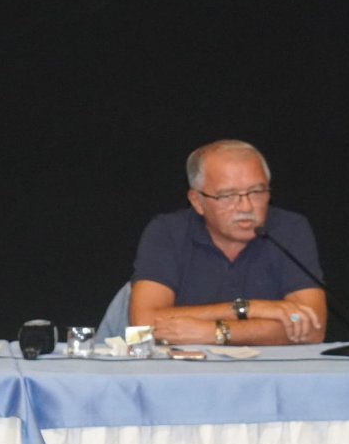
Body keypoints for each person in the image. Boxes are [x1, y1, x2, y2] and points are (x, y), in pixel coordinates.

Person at [129, 139, 327, 346]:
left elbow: (313, 328)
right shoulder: (168, 232)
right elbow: (141, 328)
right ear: (197, 201)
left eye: (256, 192)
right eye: (228, 195)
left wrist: (216, 332)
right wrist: (249, 309)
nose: (246, 207)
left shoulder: (289, 229)